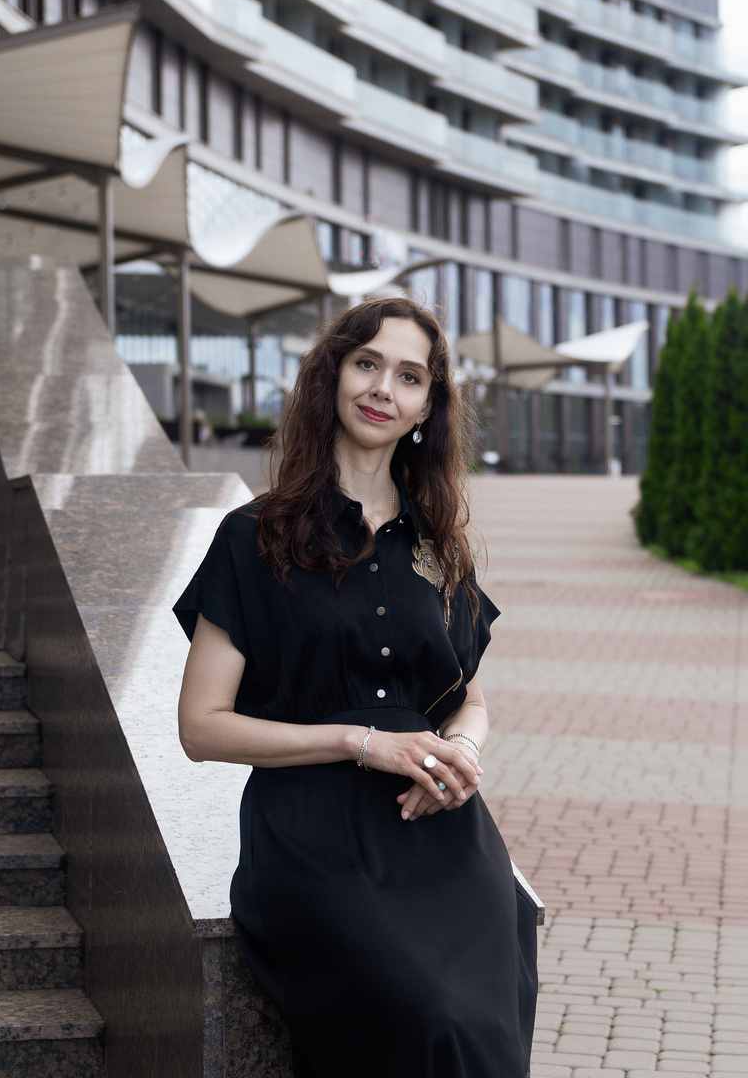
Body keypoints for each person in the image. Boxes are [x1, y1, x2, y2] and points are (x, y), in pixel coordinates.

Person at [174, 297, 538, 1078]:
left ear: (427, 407)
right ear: (332, 375)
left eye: (409, 376)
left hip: (438, 828)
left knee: (488, 1021)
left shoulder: (441, 545)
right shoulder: (255, 536)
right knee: (434, 1019)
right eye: (367, 363)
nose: (382, 388)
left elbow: (469, 700)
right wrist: (359, 741)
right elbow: (200, 727)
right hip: (311, 839)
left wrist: (458, 758)